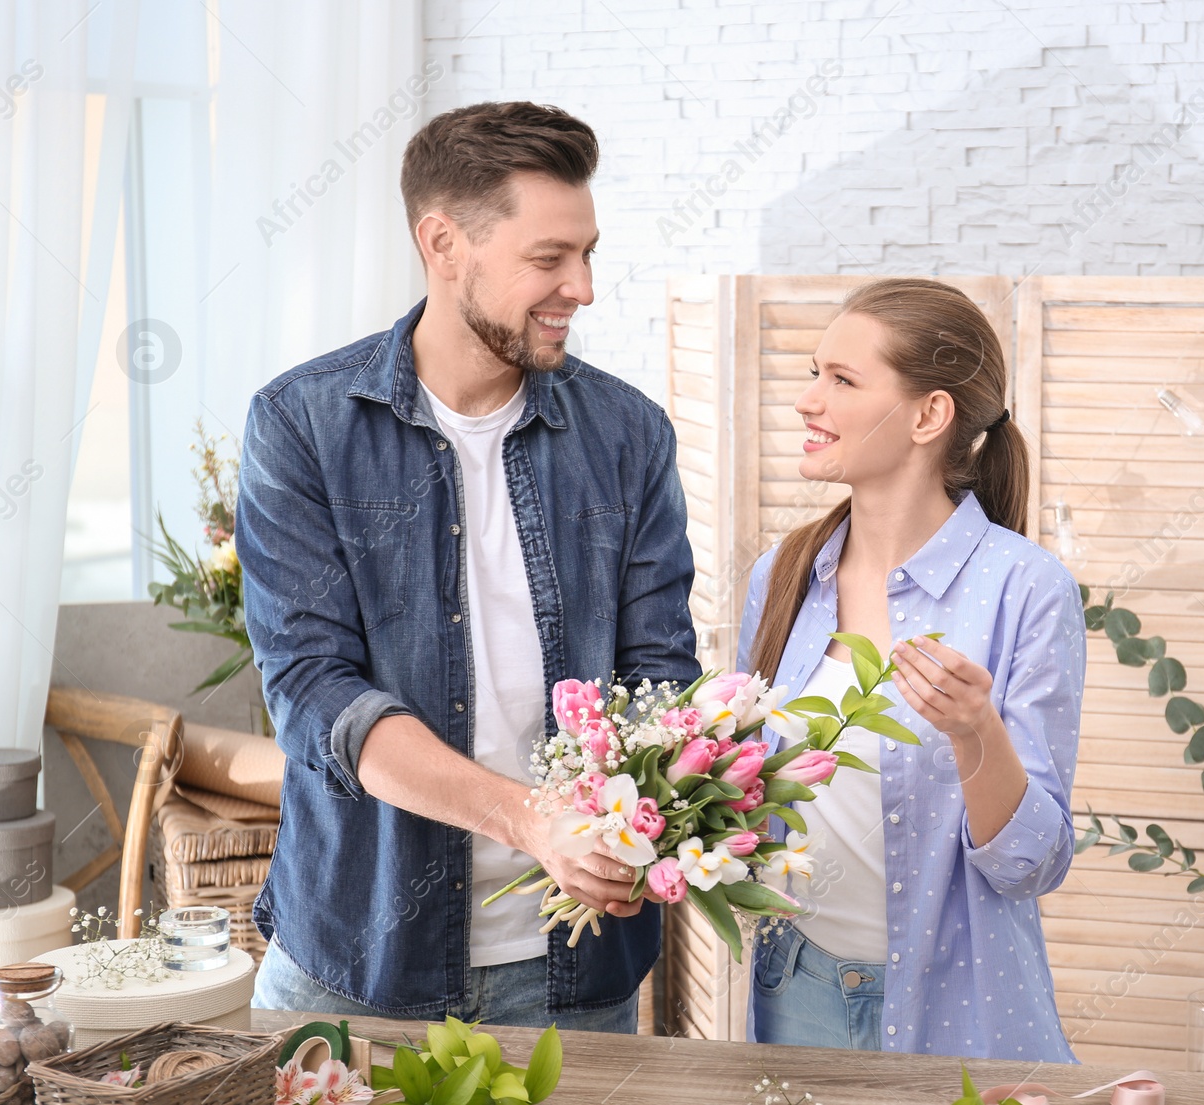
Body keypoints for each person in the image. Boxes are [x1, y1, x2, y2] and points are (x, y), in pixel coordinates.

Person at [236, 101, 699, 1027]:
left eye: (589, 252)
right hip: (357, 960)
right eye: (550, 258)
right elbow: (315, 693)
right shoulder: (304, 426)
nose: (584, 287)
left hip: (574, 966)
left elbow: (660, 677)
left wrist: (665, 819)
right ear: (444, 243)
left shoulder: (628, 433)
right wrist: (531, 821)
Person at [736, 278, 1083, 1061]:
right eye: (814, 370)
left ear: (930, 415)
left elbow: (1032, 861)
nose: (806, 400)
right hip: (795, 990)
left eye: (843, 380)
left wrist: (975, 732)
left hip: (961, 999)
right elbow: (750, 797)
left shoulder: (1025, 589)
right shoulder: (785, 576)